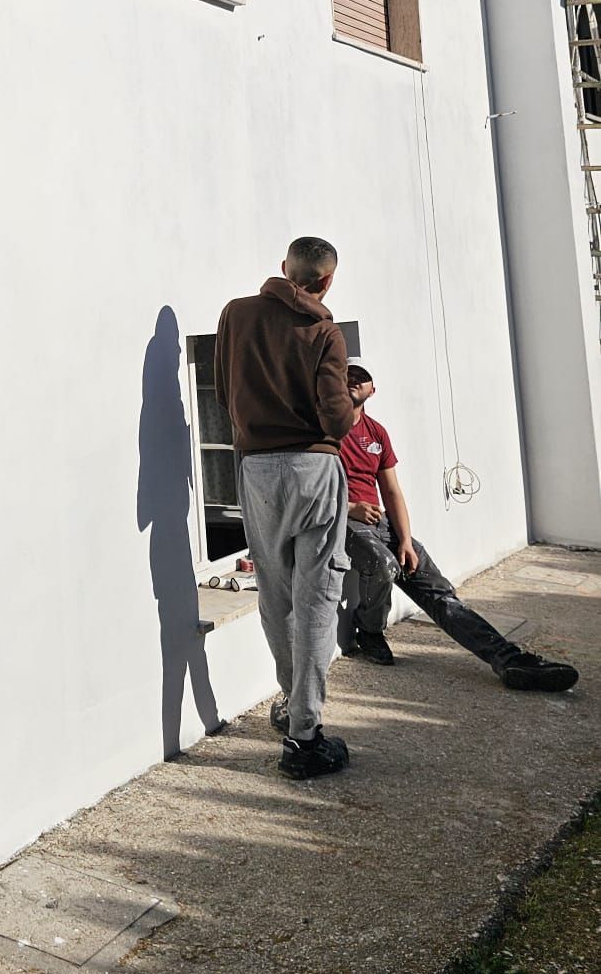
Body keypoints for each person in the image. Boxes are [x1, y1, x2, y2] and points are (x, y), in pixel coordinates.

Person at [339, 365, 578, 692]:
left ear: (372, 391)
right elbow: (307, 489)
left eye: (361, 377)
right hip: (345, 521)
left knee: (443, 598)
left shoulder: (377, 433)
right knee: (383, 565)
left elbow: (392, 492)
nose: (353, 379)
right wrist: (351, 507)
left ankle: (509, 659)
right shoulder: (323, 430)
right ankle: (368, 630)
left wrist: (406, 539)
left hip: (381, 523)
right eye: (347, 374)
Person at [216, 236, 356, 780]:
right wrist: (354, 400)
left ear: (283, 269)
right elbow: (336, 419)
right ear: (324, 280)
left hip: (256, 469)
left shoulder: (236, 314)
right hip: (313, 468)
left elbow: (225, 392)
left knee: (275, 594)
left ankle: (291, 704)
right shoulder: (325, 331)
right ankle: (304, 736)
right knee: (318, 597)